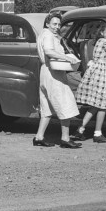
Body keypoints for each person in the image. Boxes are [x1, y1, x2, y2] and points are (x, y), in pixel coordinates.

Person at [33, 12, 82, 149]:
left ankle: (39, 136)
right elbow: (49, 51)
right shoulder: (48, 35)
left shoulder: (43, 34)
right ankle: (65, 138)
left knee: (47, 107)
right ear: (47, 24)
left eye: (59, 24)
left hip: (45, 72)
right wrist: (67, 58)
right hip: (53, 73)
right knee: (65, 103)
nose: (57, 27)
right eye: (54, 24)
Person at [74, 23, 106, 142]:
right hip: (102, 73)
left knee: (95, 105)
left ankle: (80, 129)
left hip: (95, 71)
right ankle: (97, 133)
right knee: (103, 104)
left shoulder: (99, 41)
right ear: (102, 33)